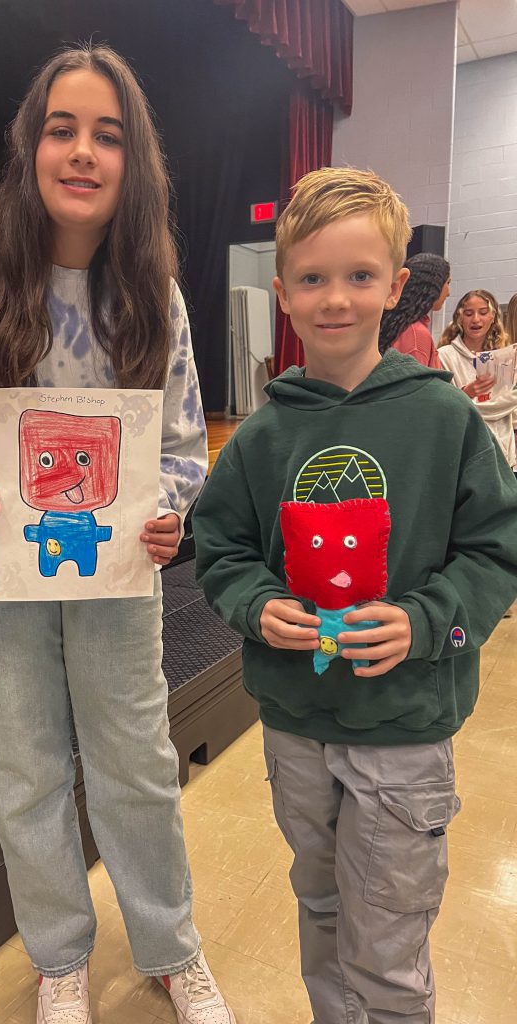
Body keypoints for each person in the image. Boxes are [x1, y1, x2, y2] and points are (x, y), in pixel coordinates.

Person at [0, 43, 234, 1024]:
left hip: (114, 573)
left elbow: (185, 444)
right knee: (25, 768)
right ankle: (59, 957)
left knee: (138, 765)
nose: (82, 151)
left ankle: (170, 946)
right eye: (62, 129)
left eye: (107, 135)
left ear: (133, 161)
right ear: (30, 146)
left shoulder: (153, 291)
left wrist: (168, 514)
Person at [192, 167, 517, 1024]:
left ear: (397, 288)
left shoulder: (444, 421)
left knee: (389, 943)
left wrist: (424, 623)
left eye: (359, 276)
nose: (335, 299)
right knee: (324, 909)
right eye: (313, 278)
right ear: (284, 293)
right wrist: (255, 603)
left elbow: (496, 548)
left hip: (404, 728)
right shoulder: (262, 435)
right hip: (297, 726)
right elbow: (219, 548)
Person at [437, 289, 517, 468]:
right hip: (465, 450)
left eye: (483, 312)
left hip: (503, 452)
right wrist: (466, 393)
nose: (476, 319)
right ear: (459, 318)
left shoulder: (505, 357)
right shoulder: (445, 356)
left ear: (493, 317)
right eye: (468, 313)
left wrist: (468, 404)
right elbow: (442, 407)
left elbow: (511, 402)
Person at [377, 251, 450, 366]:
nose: (448, 292)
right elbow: (414, 384)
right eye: (447, 283)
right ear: (434, 285)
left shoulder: (399, 326)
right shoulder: (416, 335)